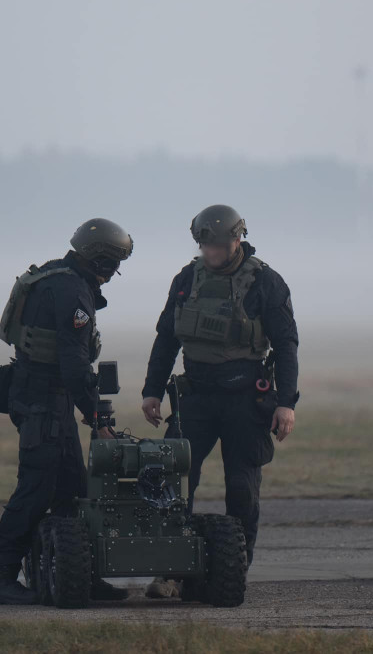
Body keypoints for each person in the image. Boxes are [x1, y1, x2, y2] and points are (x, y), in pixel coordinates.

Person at [140, 204, 299, 598]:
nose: (209, 253)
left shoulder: (266, 283)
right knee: (174, 485)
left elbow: (287, 345)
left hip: (246, 399)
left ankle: (232, 571)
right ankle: (170, 572)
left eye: (217, 245)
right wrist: (151, 390)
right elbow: (166, 338)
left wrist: (286, 402)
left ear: (237, 240)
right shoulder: (186, 279)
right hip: (195, 397)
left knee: (242, 489)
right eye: (204, 245)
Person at [0, 218, 133, 605]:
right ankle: (1, 580)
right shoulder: (73, 291)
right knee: (35, 490)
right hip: (44, 402)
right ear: (100, 260)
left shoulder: (52, 274)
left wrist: (81, 406)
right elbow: (74, 363)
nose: (114, 274)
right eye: (113, 265)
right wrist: (98, 420)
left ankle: (80, 576)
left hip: (44, 396)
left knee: (73, 490)